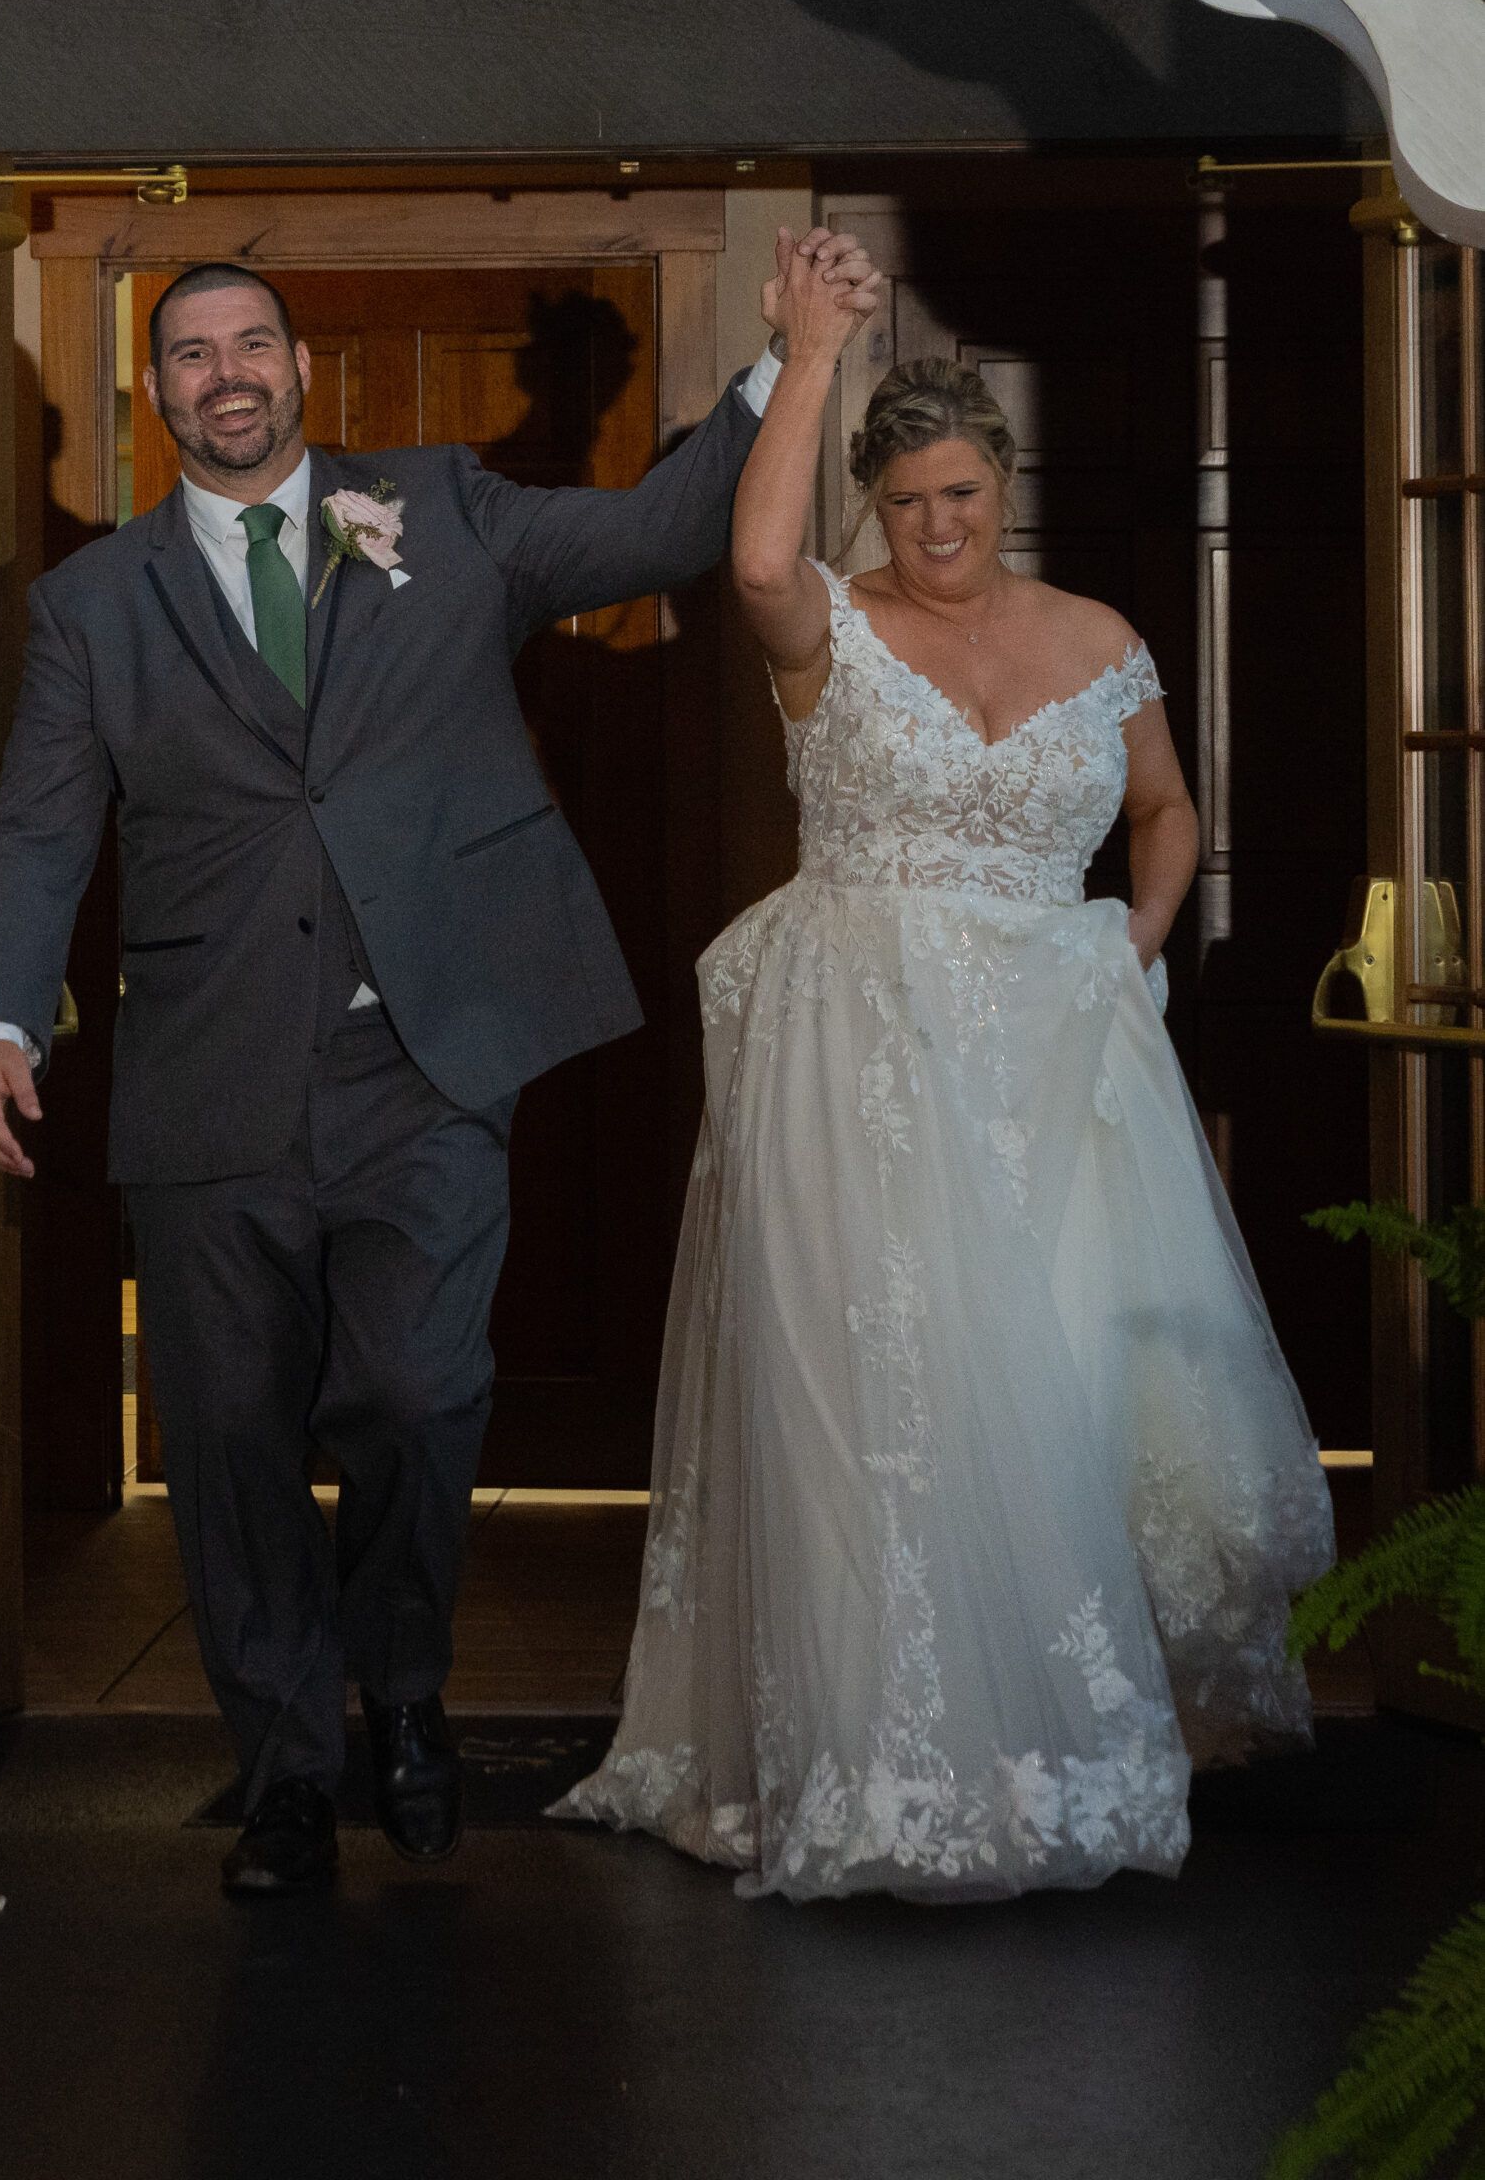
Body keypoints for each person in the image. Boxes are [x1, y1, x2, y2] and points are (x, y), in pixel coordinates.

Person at [0, 241, 879, 1897]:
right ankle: (292, 1768)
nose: (224, 373)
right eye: (189, 354)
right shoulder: (91, 607)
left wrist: (790, 362)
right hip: (210, 1078)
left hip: (433, 1065)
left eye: (251, 344)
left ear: (302, 370)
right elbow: (35, 831)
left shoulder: (443, 510)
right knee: (230, 1436)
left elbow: (659, 533)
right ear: (155, 390)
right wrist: (1, 1019)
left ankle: (402, 1690)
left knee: (414, 1391)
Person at [555, 230, 1335, 1901]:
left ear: (1005, 484)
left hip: (1062, 1064)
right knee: (902, 1396)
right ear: (876, 505)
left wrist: (1133, 936)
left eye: (966, 494)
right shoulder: (825, 626)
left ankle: (1080, 1727)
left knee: (1066, 1377)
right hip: (869, 1066)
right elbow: (757, 555)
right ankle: (901, 1753)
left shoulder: (1098, 633)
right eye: (910, 502)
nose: (942, 525)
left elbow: (1166, 806)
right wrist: (811, 344)